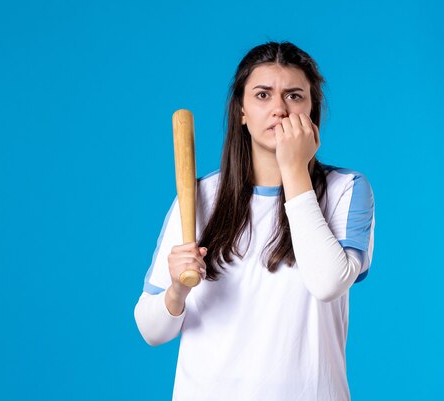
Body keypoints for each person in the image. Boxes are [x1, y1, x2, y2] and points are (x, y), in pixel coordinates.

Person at [134, 41, 375, 401]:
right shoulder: (199, 198)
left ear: (312, 111)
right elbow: (151, 330)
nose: (279, 108)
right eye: (263, 95)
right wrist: (177, 290)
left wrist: (293, 168)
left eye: (294, 96)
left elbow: (327, 283)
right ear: (241, 111)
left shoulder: (346, 190)